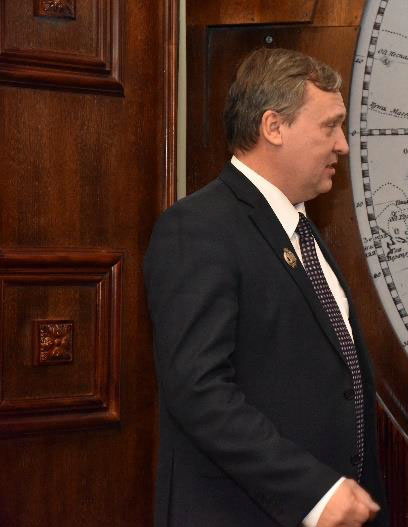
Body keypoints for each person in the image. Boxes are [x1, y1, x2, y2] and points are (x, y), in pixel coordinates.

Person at [144, 47, 386, 527]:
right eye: (330, 126)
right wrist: (313, 492)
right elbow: (199, 391)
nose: (342, 144)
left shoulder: (300, 228)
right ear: (274, 126)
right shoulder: (198, 228)